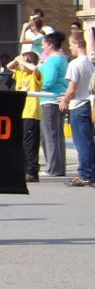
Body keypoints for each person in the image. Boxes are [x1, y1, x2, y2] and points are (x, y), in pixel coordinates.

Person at [58, 32, 94, 186]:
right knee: (90, 142)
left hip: (78, 105)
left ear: (78, 44)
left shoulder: (75, 64)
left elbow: (72, 89)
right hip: (90, 104)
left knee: (82, 143)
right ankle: (91, 173)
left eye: (71, 44)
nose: (70, 48)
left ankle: (85, 175)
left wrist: (65, 100)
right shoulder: (92, 62)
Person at [7, 53, 43, 182]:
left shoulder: (34, 76)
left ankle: (32, 171)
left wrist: (24, 62)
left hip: (31, 113)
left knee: (30, 144)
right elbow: (9, 66)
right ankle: (24, 169)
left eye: (23, 63)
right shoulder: (20, 73)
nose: (20, 65)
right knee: (21, 143)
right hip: (20, 112)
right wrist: (17, 59)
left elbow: (35, 69)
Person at [37, 31, 69, 177]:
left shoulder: (51, 61)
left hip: (49, 100)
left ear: (50, 45)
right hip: (58, 99)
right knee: (57, 136)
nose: (42, 47)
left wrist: (35, 86)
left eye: (43, 44)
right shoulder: (62, 59)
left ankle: (53, 168)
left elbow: (48, 82)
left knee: (50, 136)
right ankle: (59, 167)